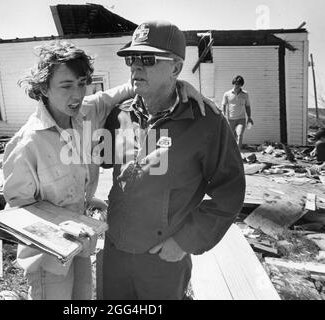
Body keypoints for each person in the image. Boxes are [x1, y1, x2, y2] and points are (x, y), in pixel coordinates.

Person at [2, 41, 217, 300]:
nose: (77, 94)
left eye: (82, 83)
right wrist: (62, 221)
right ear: (43, 88)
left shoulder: (88, 112)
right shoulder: (28, 142)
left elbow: (133, 87)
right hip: (47, 257)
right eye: (66, 85)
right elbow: (18, 211)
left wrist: (178, 85)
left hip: (81, 245)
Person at [101, 20, 246, 300]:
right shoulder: (120, 115)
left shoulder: (207, 123)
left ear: (176, 68)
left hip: (162, 261)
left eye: (147, 59)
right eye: (131, 59)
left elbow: (230, 194)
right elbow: (97, 157)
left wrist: (184, 242)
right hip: (115, 253)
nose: (135, 67)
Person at [222, 75, 253, 149]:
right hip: (230, 119)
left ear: (241, 85)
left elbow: (247, 106)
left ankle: (238, 154)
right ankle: (230, 154)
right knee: (230, 138)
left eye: (239, 84)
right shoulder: (227, 94)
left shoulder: (245, 94)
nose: (237, 86)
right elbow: (224, 105)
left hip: (241, 119)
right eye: (236, 83)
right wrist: (224, 116)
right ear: (233, 83)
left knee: (239, 135)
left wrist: (249, 117)